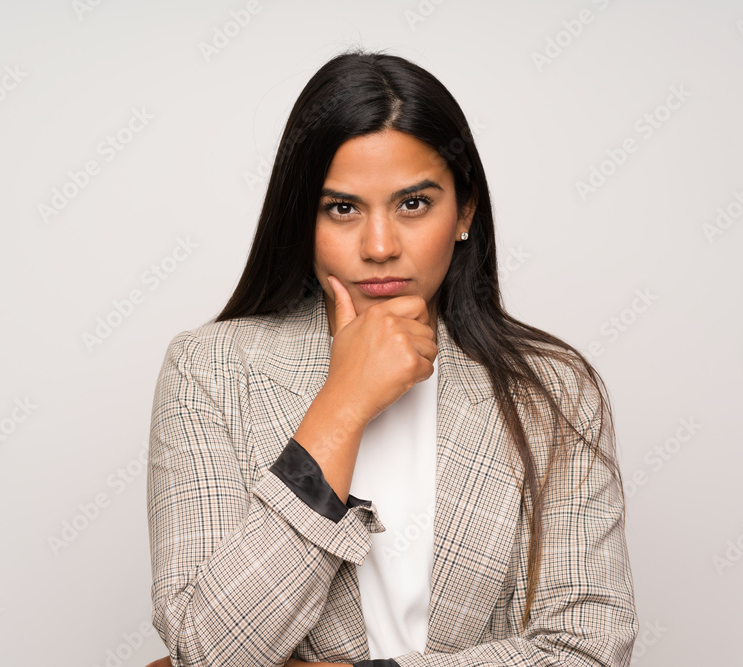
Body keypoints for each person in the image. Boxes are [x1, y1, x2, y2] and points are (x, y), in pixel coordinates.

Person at [146, 48, 639, 667]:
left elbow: (587, 650)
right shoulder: (209, 370)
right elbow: (206, 649)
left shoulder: (554, 390)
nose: (379, 246)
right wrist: (343, 404)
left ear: (463, 211)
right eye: (342, 208)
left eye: (413, 204)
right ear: (303, 219)